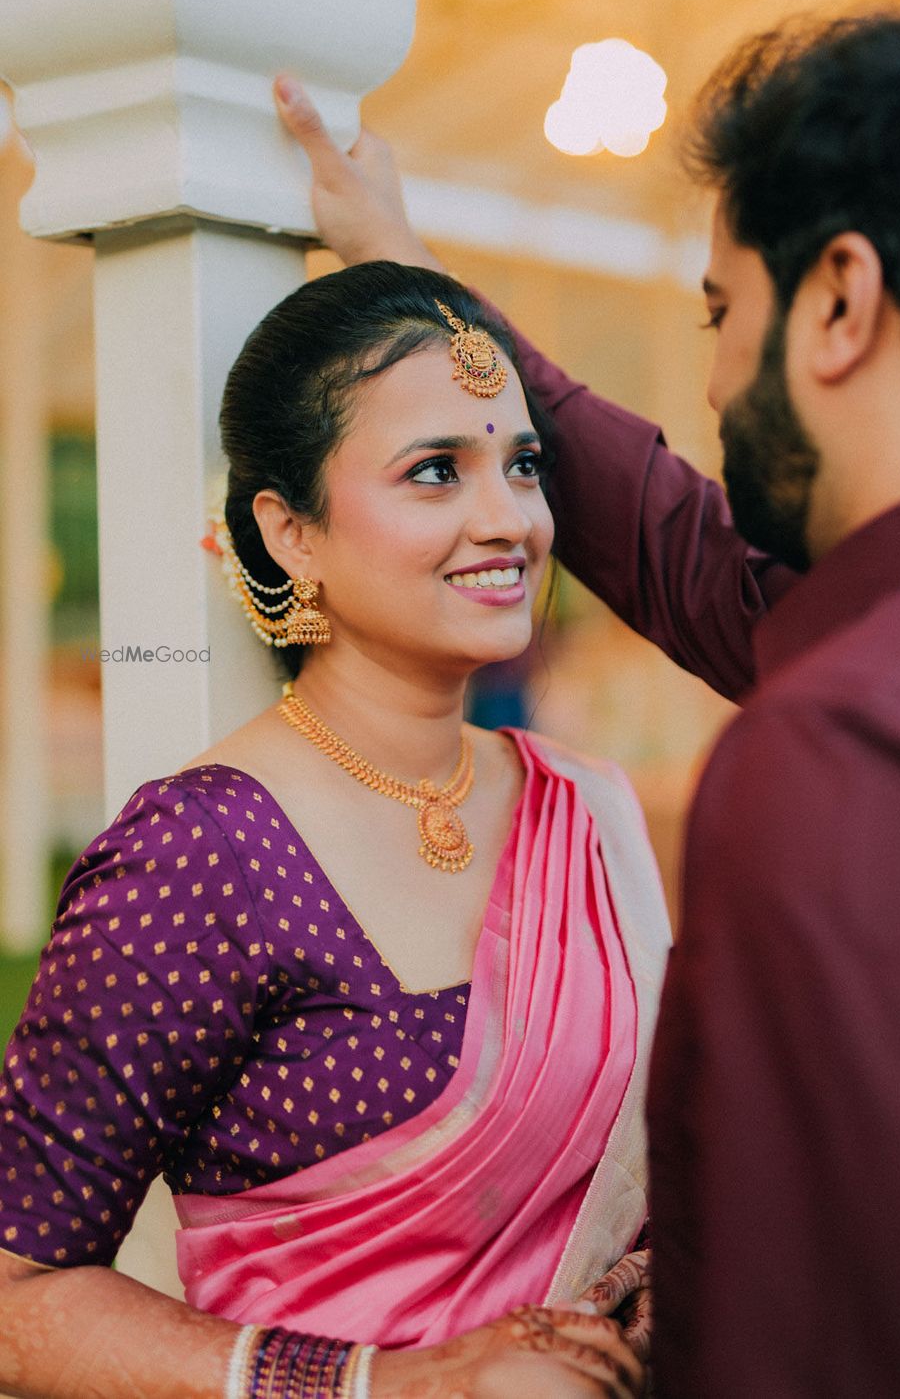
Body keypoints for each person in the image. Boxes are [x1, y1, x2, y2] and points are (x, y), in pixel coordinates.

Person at [275, 7, 900, 1397]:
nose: (716, 373)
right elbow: (697, 559)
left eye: (723, 313)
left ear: (840, 301)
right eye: (436, 471)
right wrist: (421, 289)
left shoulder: (842, 746)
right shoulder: (894, 630)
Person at [0, 262, 667, 1398]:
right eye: (434, 473)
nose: (507, 519)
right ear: (291, 532)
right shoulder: (200, 856)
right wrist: (387, 1383)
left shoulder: (590, 807)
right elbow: (19, 1300)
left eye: (521, 465)